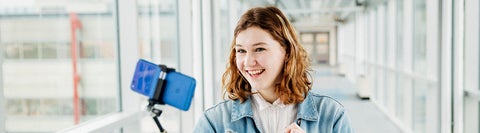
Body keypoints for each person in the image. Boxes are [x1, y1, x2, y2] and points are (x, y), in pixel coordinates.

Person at [193, 6, 353, 133]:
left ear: (287, 52)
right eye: (241, 51)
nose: (248, 62)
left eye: (260, 49)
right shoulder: (215, 121)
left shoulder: (332, 115)